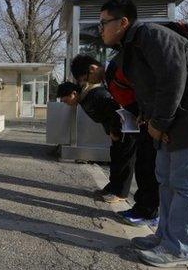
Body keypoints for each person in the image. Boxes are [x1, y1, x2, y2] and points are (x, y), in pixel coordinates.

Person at [99, 0, 188, 268]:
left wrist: (159, 123)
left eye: (104, 23)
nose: (100, 29)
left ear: (123, 22)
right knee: (167, 182)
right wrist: (151, 121)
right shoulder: (130, 47)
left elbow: (173, 78)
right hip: (173, 124)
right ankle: (163, 238)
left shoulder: (151, 35)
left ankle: (179, 249)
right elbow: (149, 91)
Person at [71, 54, 160, 227]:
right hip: (137, 123)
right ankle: (142, 208)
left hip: (146, 123)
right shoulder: (110, 76)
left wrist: (148, 117)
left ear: (92, 69)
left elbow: (142, 92)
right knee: (142, 165)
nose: (87, 83)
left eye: (85, 79)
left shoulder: (117, 70)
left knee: (146, 166)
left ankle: (148, 212)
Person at [57, 63, 134, 204]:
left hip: (126, 130)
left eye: (65, 99)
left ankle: (120, 193)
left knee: (124, 161)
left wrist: (115, 131)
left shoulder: (95, 95)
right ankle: (112, 187)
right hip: (117, 131)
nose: (65, 103)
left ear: (73, 94)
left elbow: (115, 111)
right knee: (116, 159)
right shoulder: (86, 97)